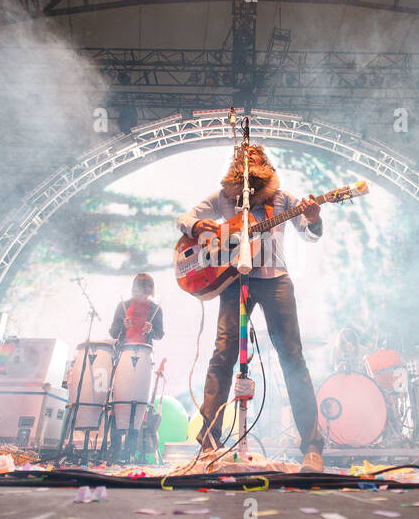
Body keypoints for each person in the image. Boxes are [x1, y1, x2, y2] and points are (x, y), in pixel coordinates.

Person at [178, 143, 326, 471]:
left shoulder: (284, 199)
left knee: (292, 358)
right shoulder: (224, 198)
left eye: (256, 159)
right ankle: (209, 446)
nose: (250, 163)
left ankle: (312, 448)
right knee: (222, 357)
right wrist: (197, 227)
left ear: (266, 165)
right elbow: (185, 218)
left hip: (276, 280)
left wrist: (313, 220)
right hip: (234, 282)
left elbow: (309, 235)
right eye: (244, 160)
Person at [109, 273, 164, 347]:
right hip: (122, 351)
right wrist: (123, 326)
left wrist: (150, 331)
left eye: (145, 294)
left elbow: (159, 335)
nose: (141, 296)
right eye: (138, 293)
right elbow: (113, 333)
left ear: (150, 292)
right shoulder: (123, 306)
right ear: (134, 290)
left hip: (145, 352)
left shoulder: (155, 309)